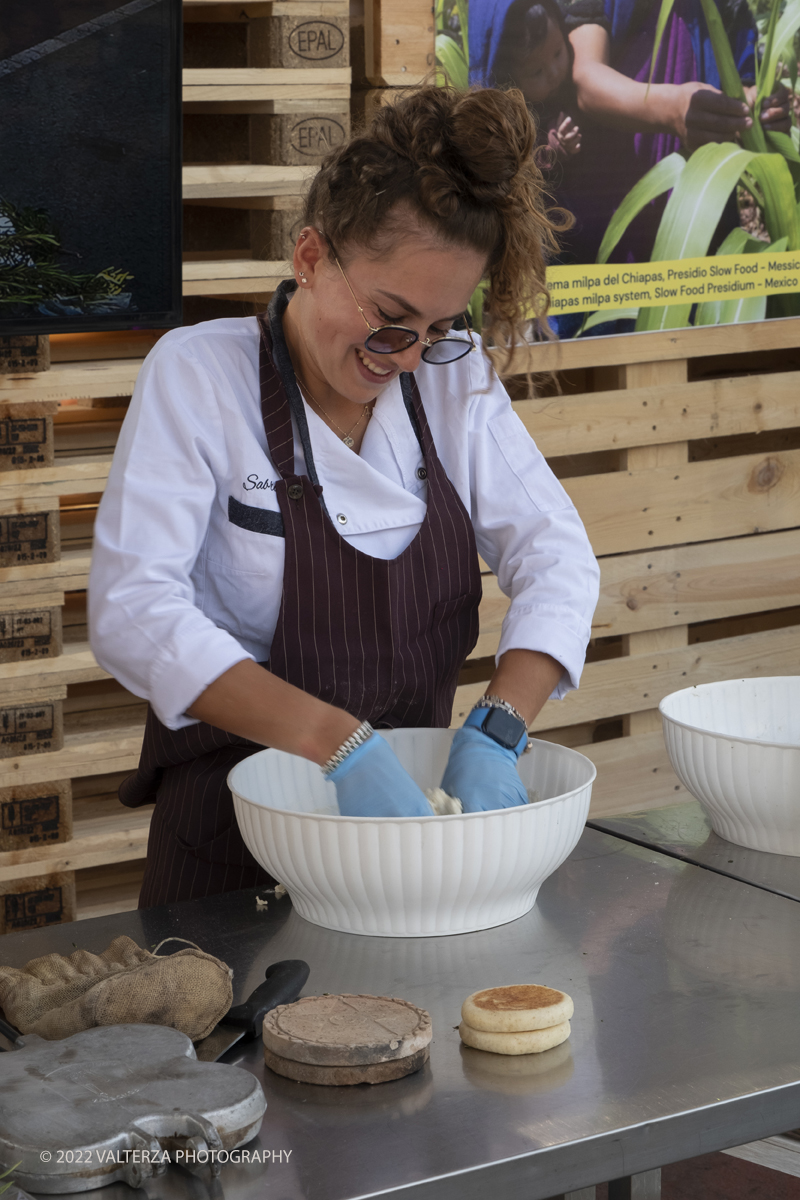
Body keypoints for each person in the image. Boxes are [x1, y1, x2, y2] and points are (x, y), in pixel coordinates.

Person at [88, 85, 600, 908]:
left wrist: (499, 729)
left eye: (436, 329)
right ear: (311, 258)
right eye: (392, 317)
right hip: (234, 845)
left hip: (412, 854)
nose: (406, 357)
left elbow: (558, 555)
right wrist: (338, 743)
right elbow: (132, 608)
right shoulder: (198, 376)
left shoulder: (453, 382)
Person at [470, 0, 584, 159]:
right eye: (537, 72)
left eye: (557, 53)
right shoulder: (511, 126)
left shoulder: (572, 82)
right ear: (509, 80)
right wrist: (555, 144)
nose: (554, 73)